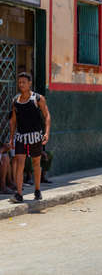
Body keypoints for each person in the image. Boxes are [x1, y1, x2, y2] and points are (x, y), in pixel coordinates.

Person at [9, 72, 51, 203]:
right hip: (20, 137)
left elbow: (47, 116)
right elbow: (13, 121)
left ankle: (37, 190)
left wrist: (47, 133)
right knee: (19, 163)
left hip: (35, 136)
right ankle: (19, 193)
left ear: (29, 83)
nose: (21, 84)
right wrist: (11, 138)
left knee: (36, 163)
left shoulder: (38, 99)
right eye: (19, 82)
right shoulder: (15, 100)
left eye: (24, 82)